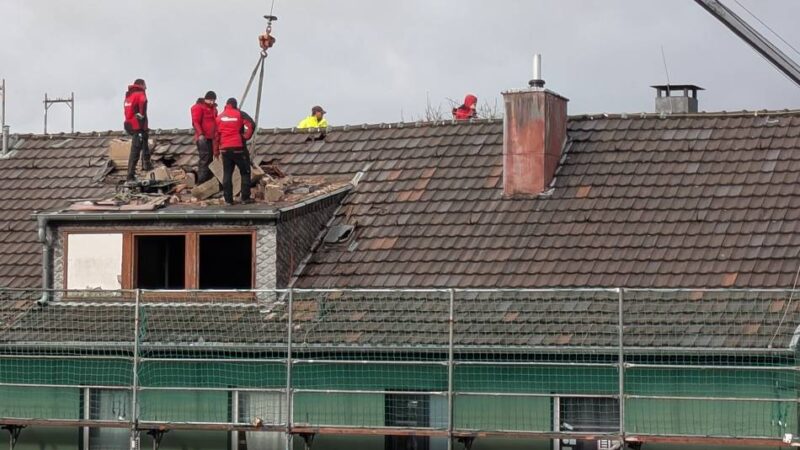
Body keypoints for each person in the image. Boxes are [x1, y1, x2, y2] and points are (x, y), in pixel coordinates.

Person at [214, 98, 256, 205]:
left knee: (227, 173)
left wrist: (216, 151)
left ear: (226, 105)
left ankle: (228, 200)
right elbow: (251, 124)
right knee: (245, 172)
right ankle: (245, 198)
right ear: (235, 105)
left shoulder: (219, 118)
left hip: (225, 149)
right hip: (238, 148)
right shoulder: (240, 114)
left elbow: (216, 135)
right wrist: (245, 136)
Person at [123, 78, 152, 180]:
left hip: (128, 124)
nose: (146, 87)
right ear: (141, 85)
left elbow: (128, 111)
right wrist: (142, 120)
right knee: (136, 150)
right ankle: (131, 175)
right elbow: (143, 105)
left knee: (141, 146)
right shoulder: (140, 94)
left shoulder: (129, 95)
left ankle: (145, 167)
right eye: (145, 85)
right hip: (137, 126)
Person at [191, 91, 218, 183]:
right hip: (202, 138)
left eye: (213, 100)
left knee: (210, 159)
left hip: (211, 138)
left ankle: (208, 182)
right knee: (205, 159)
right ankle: (201, 182)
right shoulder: (198, 107)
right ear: (205, 99)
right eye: (210, 100)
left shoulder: (214, 109)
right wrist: (201, 134)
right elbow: (196, 122)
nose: (212, 102)